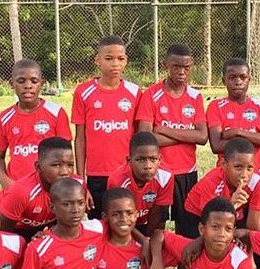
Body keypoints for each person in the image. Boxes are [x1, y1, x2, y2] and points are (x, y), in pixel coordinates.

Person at [205, 57, 260, 269]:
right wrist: (250, 135)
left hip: (255, 183)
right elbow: (216, 144)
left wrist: (237, 132)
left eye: (243, 77)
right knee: (225, 237)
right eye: (232, 77)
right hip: (225, 183)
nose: (238, 82)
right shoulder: (216, 107)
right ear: (224, 79)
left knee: (257, 237)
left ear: (249, 79)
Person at [136, 43, 208, 234]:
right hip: (158, 172)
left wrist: (163, 129)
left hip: (187, 172)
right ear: (166, 65)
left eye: (186, 67)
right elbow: (145, 139)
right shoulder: (151, 94)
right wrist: (187, 136)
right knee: (155, 228)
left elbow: (202, 136)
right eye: (176, 66)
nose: (182, 71)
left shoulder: (195, 96)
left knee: (188, 231)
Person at [72, 35, 140, 220]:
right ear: (98, 61)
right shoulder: (83, 92)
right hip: (97, 175)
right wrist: (81, 181)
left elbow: (140, 137)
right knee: (100, 226)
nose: (115, 64)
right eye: (109, 58)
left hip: (126, 172)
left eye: (120, 58)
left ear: (126, 61)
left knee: (125, 226)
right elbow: (80, 139)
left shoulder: (135, 92)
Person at [0, 59, 72, 187]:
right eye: (21, 81)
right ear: (12, 84)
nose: (28, 86)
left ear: (42, 83)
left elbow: (66, 156)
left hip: (49, 186)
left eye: (34, 81)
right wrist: (6, 182)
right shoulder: (5, 118)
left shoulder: (56, 112)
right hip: (17, 186)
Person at [0, 137, 83, 242]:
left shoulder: (77, 186)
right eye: (57, 165)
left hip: (44, 225)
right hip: (16, 227)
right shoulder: (22, 192)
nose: (65, 172)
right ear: (38, 167)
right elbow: (3, 235)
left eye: (70, 165)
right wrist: (28, 243)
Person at [183, 138, 260, 235]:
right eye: (238, 167)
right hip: (197, 216)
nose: (244, 174)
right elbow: (211, 222)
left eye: (249, 168)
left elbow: (253, 230)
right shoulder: (212, 182)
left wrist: (241, 237)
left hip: (231, 215)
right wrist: (230, 204)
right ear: (223, 165)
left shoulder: (256, 181)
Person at [106, 132, 173, 237]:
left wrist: (149, 241)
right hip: (124, 224)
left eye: (153, 159)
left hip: (149, 222)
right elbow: (120, 220)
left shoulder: (166, 176)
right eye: (141, 160)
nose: (148, 166)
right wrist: (143, 241)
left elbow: (157, 215)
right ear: (129, 160)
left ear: (160, 160)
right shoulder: (117, 181)